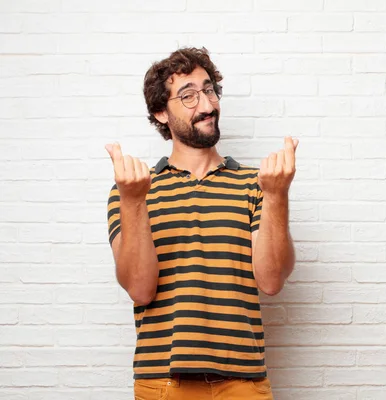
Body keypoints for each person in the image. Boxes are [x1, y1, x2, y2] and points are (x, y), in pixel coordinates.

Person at [105, 47, 297, 400]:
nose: (207, 106)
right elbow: (140, 290)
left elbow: (271, 281)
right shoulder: (132, 189)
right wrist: (133, 200)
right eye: (189, 96)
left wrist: (277, 196)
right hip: (162, 383)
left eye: (209, 90)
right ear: (161, 112)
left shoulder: (257, 184)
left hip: (245, 382)